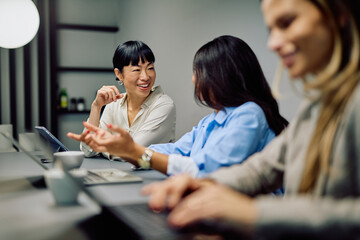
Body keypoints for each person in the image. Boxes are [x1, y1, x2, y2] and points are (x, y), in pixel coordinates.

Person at [141, 0, 360, 239]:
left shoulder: (251, 113)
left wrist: (253, 213)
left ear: (339, 14)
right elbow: (262, 169)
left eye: (287, 23)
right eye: (271, 30)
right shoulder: (319, 103)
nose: (273, 43)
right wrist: (207, 185)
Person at [68, 35, 288, 177]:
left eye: (199, 72)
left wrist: (132, 151)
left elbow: (208, 170)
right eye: (136, 69)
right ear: (119, 75)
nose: (194, 79)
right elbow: (178, 150)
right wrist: (131, 151)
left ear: (222, 76)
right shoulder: (211, 120)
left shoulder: (249, 115)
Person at [78, 40, 176, 159]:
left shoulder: (164, 105)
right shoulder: (113, 105)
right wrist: (96, 106)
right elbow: (88, 150)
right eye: (137, 70)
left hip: (155, 176)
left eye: (150, 68)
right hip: (117, 174)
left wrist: (102, 146)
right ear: (119, 74)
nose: (145, 77)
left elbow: (130, 151)